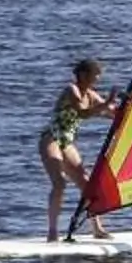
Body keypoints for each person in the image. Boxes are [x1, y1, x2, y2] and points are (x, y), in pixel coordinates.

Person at [41, 57, 120, 241]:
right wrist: (106, 102)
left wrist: (125, 111)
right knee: (59, 183)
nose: (97, 79)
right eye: (95, 75)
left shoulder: (91, 95)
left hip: (67, 143)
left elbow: (110, 112)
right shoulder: (71, 90)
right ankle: (52, 232)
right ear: (83, 75)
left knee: (87, 184)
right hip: (51, 139)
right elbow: (81, 112)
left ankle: (97, 229)